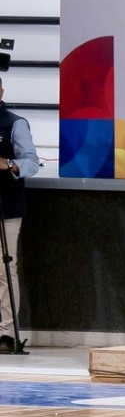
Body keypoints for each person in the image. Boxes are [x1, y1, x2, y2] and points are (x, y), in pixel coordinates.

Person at [0, 78, 40, 354]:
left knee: (5, 269)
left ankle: (6, 333)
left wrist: (8, 164)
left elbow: (32, 162)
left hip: (6, 207)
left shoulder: (14, 124)